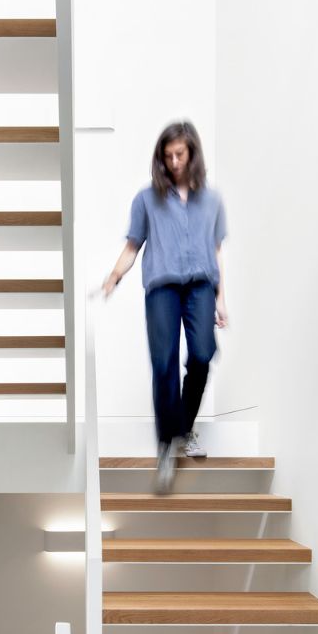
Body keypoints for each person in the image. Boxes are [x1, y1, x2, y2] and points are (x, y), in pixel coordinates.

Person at [103, 120, 228, 494]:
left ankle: (183, 429)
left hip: (202, 286)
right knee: (163, 363)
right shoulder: (147, 199)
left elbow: (217, 250)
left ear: (192, 154)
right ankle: (165, 445)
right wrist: (114, 276)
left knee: (203, 355)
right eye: (168, 155)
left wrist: (221, 298)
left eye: (180, 154)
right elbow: (132, 245)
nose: (174, 162)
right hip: (162, 287)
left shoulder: (212, 200)